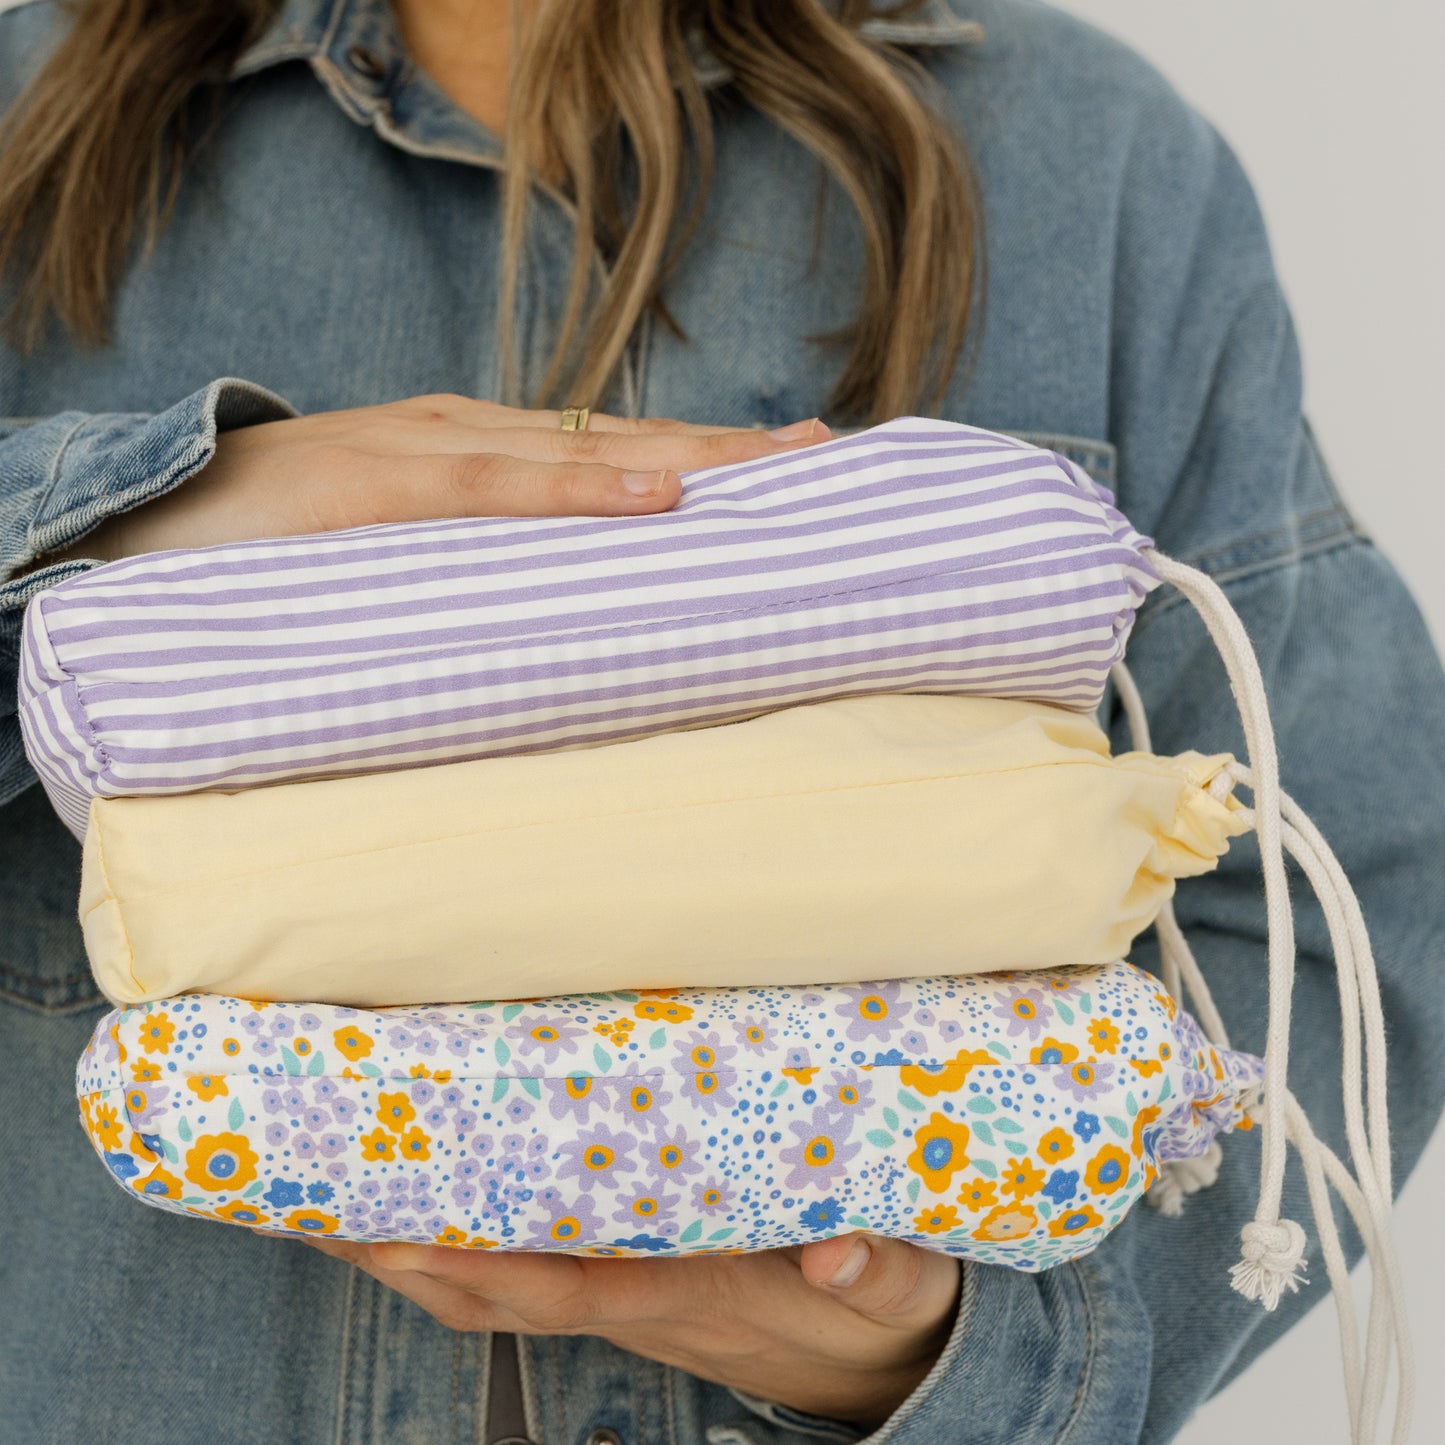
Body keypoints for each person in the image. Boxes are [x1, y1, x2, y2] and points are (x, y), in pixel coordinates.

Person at [1, 0, 1441, 1440]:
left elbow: (1349, 906)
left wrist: (948, 1359)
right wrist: (132, 509)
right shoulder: (22, 118)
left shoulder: (1083, 162)